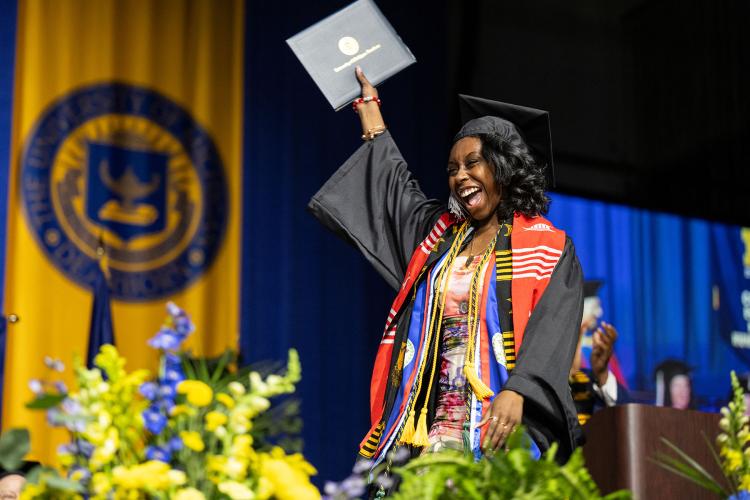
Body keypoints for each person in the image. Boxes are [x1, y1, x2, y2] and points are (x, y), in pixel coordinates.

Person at [309, 68, 583, 477]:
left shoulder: (547, 246)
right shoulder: (437, 238)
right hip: (427, 426)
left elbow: (553, 330)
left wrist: (521, 388)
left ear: (503, 170)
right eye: (453, 168)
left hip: (499, 424)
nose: (460, 176)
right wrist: (369, 110)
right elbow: (393, 188)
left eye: (474, 163)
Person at [569, 280, 627, 425]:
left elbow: (622, 400)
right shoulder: (558, 349)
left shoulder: (601, 349)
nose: (599, 312)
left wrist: (602, 374)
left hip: (601, 425)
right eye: (595, 306)